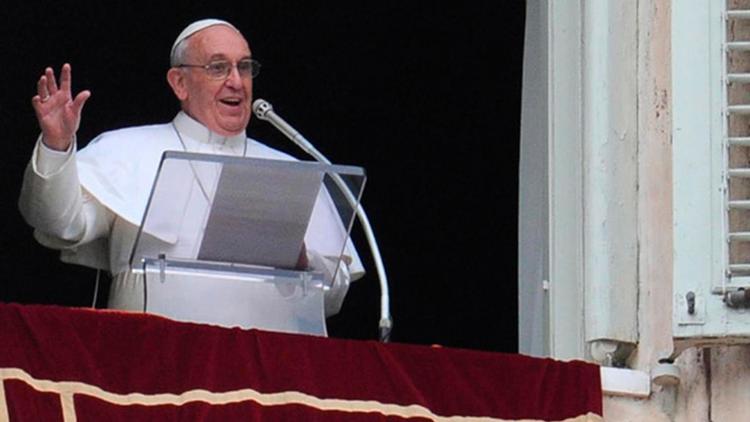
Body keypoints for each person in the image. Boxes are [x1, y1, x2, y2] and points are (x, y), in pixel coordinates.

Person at [18, 19, 364, 325]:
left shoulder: (291, 170)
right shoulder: (127, 149)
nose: (236, 81)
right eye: (217, 67)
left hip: (270, 373)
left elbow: (333, 298)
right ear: (179, 83)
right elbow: (60, 226)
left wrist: (302, 262)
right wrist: (57, 145)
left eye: (244, 67)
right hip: (155, 367)